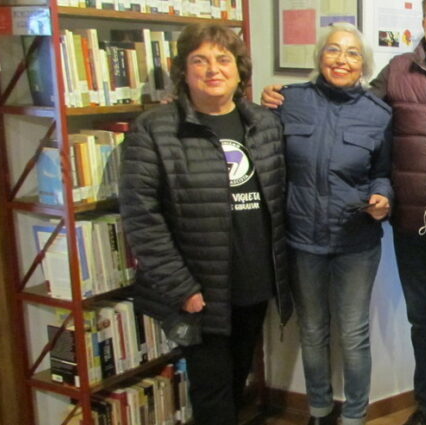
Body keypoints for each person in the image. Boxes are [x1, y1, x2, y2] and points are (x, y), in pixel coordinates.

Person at [261, 1, 426, 423]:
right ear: (423, 23)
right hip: (411, 224)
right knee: (422, 322)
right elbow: (350, 109)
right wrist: (284, 97)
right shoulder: (398, 70)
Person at [119, 23, 292, 425]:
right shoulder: (155, 128)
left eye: (223, 59)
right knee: (212, 392)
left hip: (253, 282)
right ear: (183, 70)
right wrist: (182, 287)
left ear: (238, 70)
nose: (213, 69)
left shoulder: (263, 124)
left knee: (235, 381)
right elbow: (141, 217)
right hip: (199, 290)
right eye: (200, 60)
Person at [275, 23, 393, 425]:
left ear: (364, 65)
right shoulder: (289, 101)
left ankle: (355, 417)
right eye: (333, 50)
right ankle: (320, 412)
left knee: (353, 335)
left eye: (352, 53)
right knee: (311, 332)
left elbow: (383, 172)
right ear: (319, 57)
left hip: (356, 241)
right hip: (302, 239)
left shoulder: (378, 114)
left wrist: (384, 198)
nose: (342, 60)